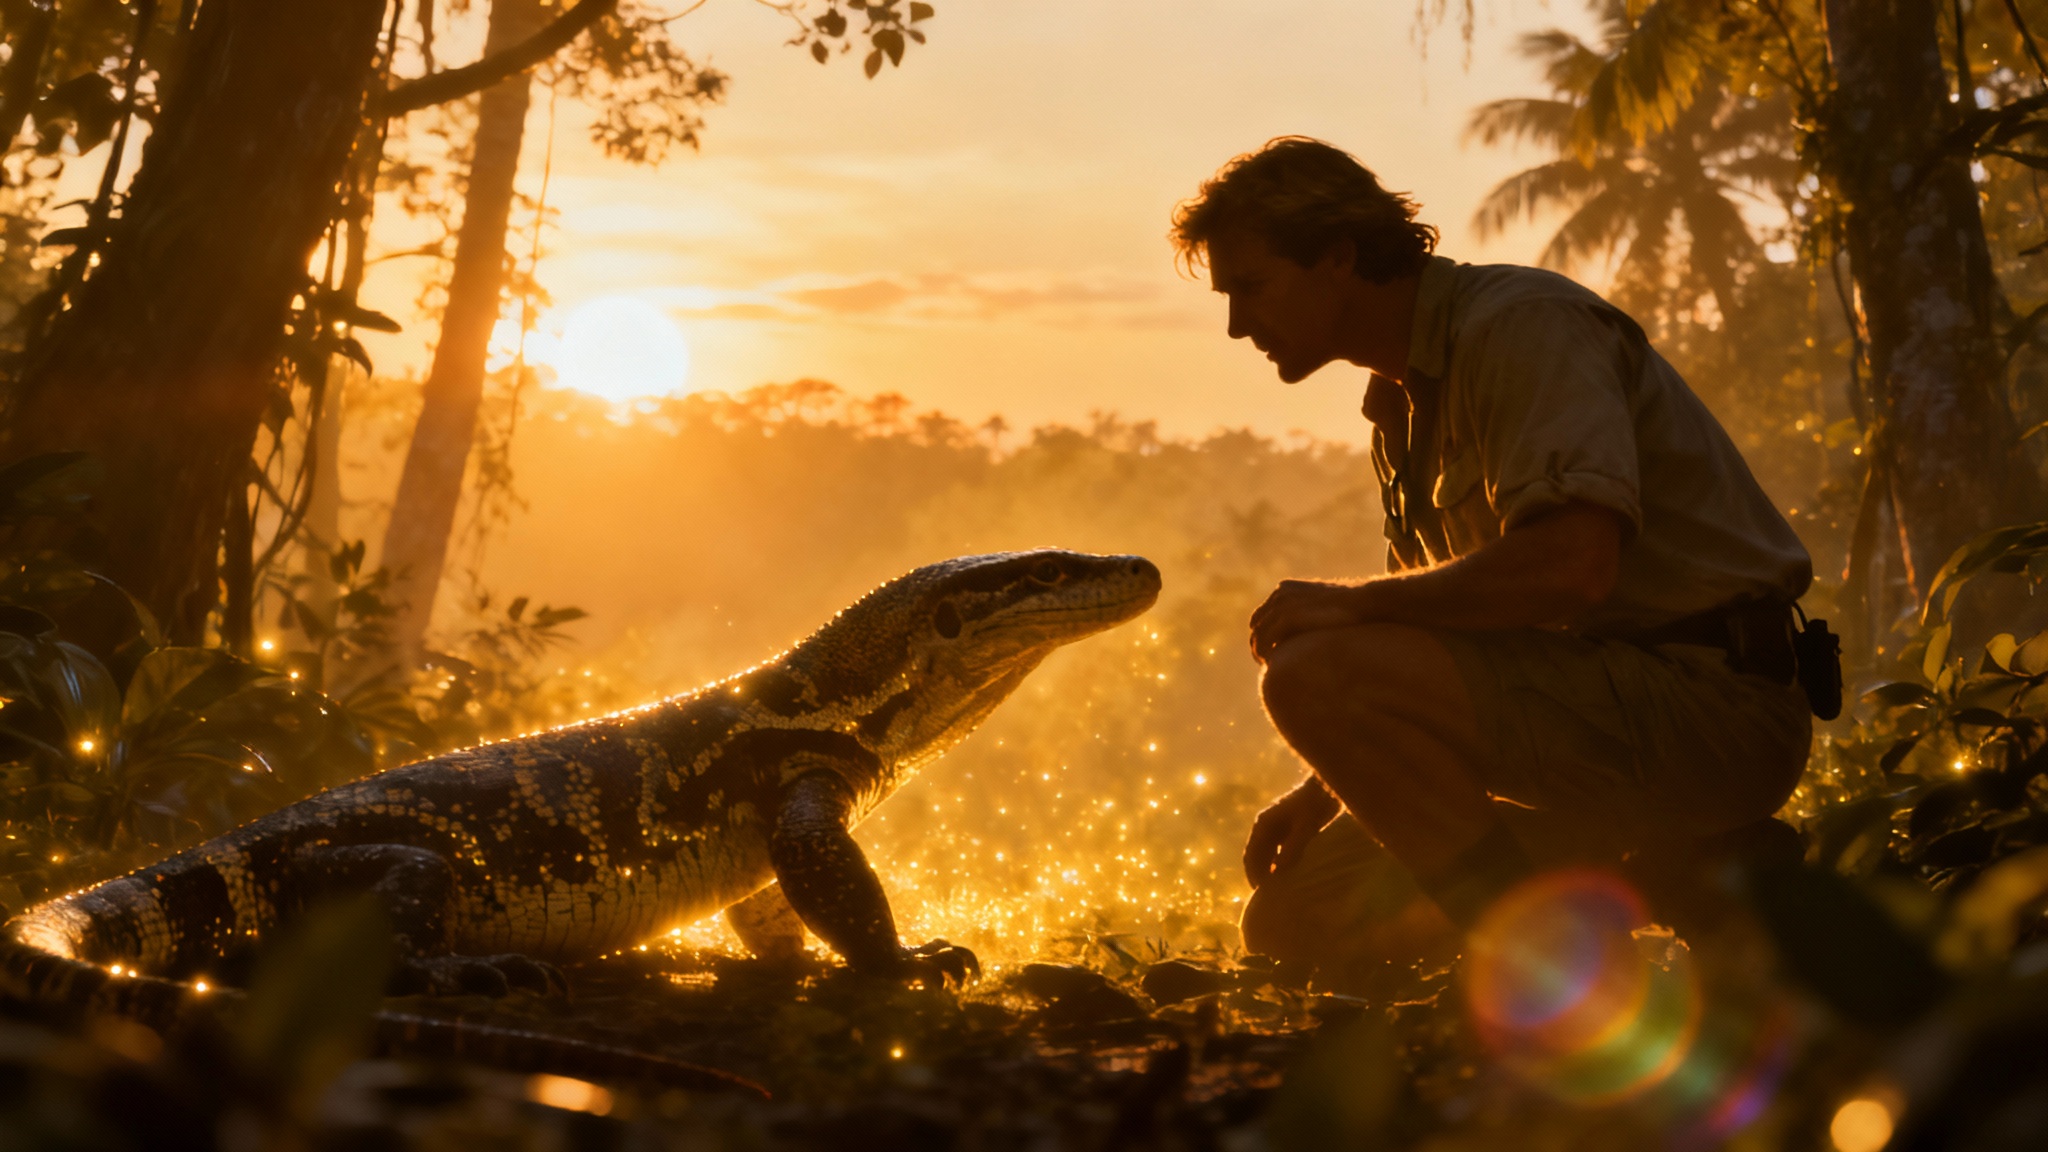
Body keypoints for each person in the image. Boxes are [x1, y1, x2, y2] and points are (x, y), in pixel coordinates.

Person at [1168, 137, 1819, 972]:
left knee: (1311, 671)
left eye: (1252, 288)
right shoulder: (1398, 407)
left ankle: (1553, 962)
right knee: (1300, 919)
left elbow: (1573, 567)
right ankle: (1682, 869)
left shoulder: (1521, 327)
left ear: (1338, 255)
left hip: (1708, 711)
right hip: (1580, 726)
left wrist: (1355, 605)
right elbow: (1464, 644)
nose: (1236, 325)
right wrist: (1324, 790)